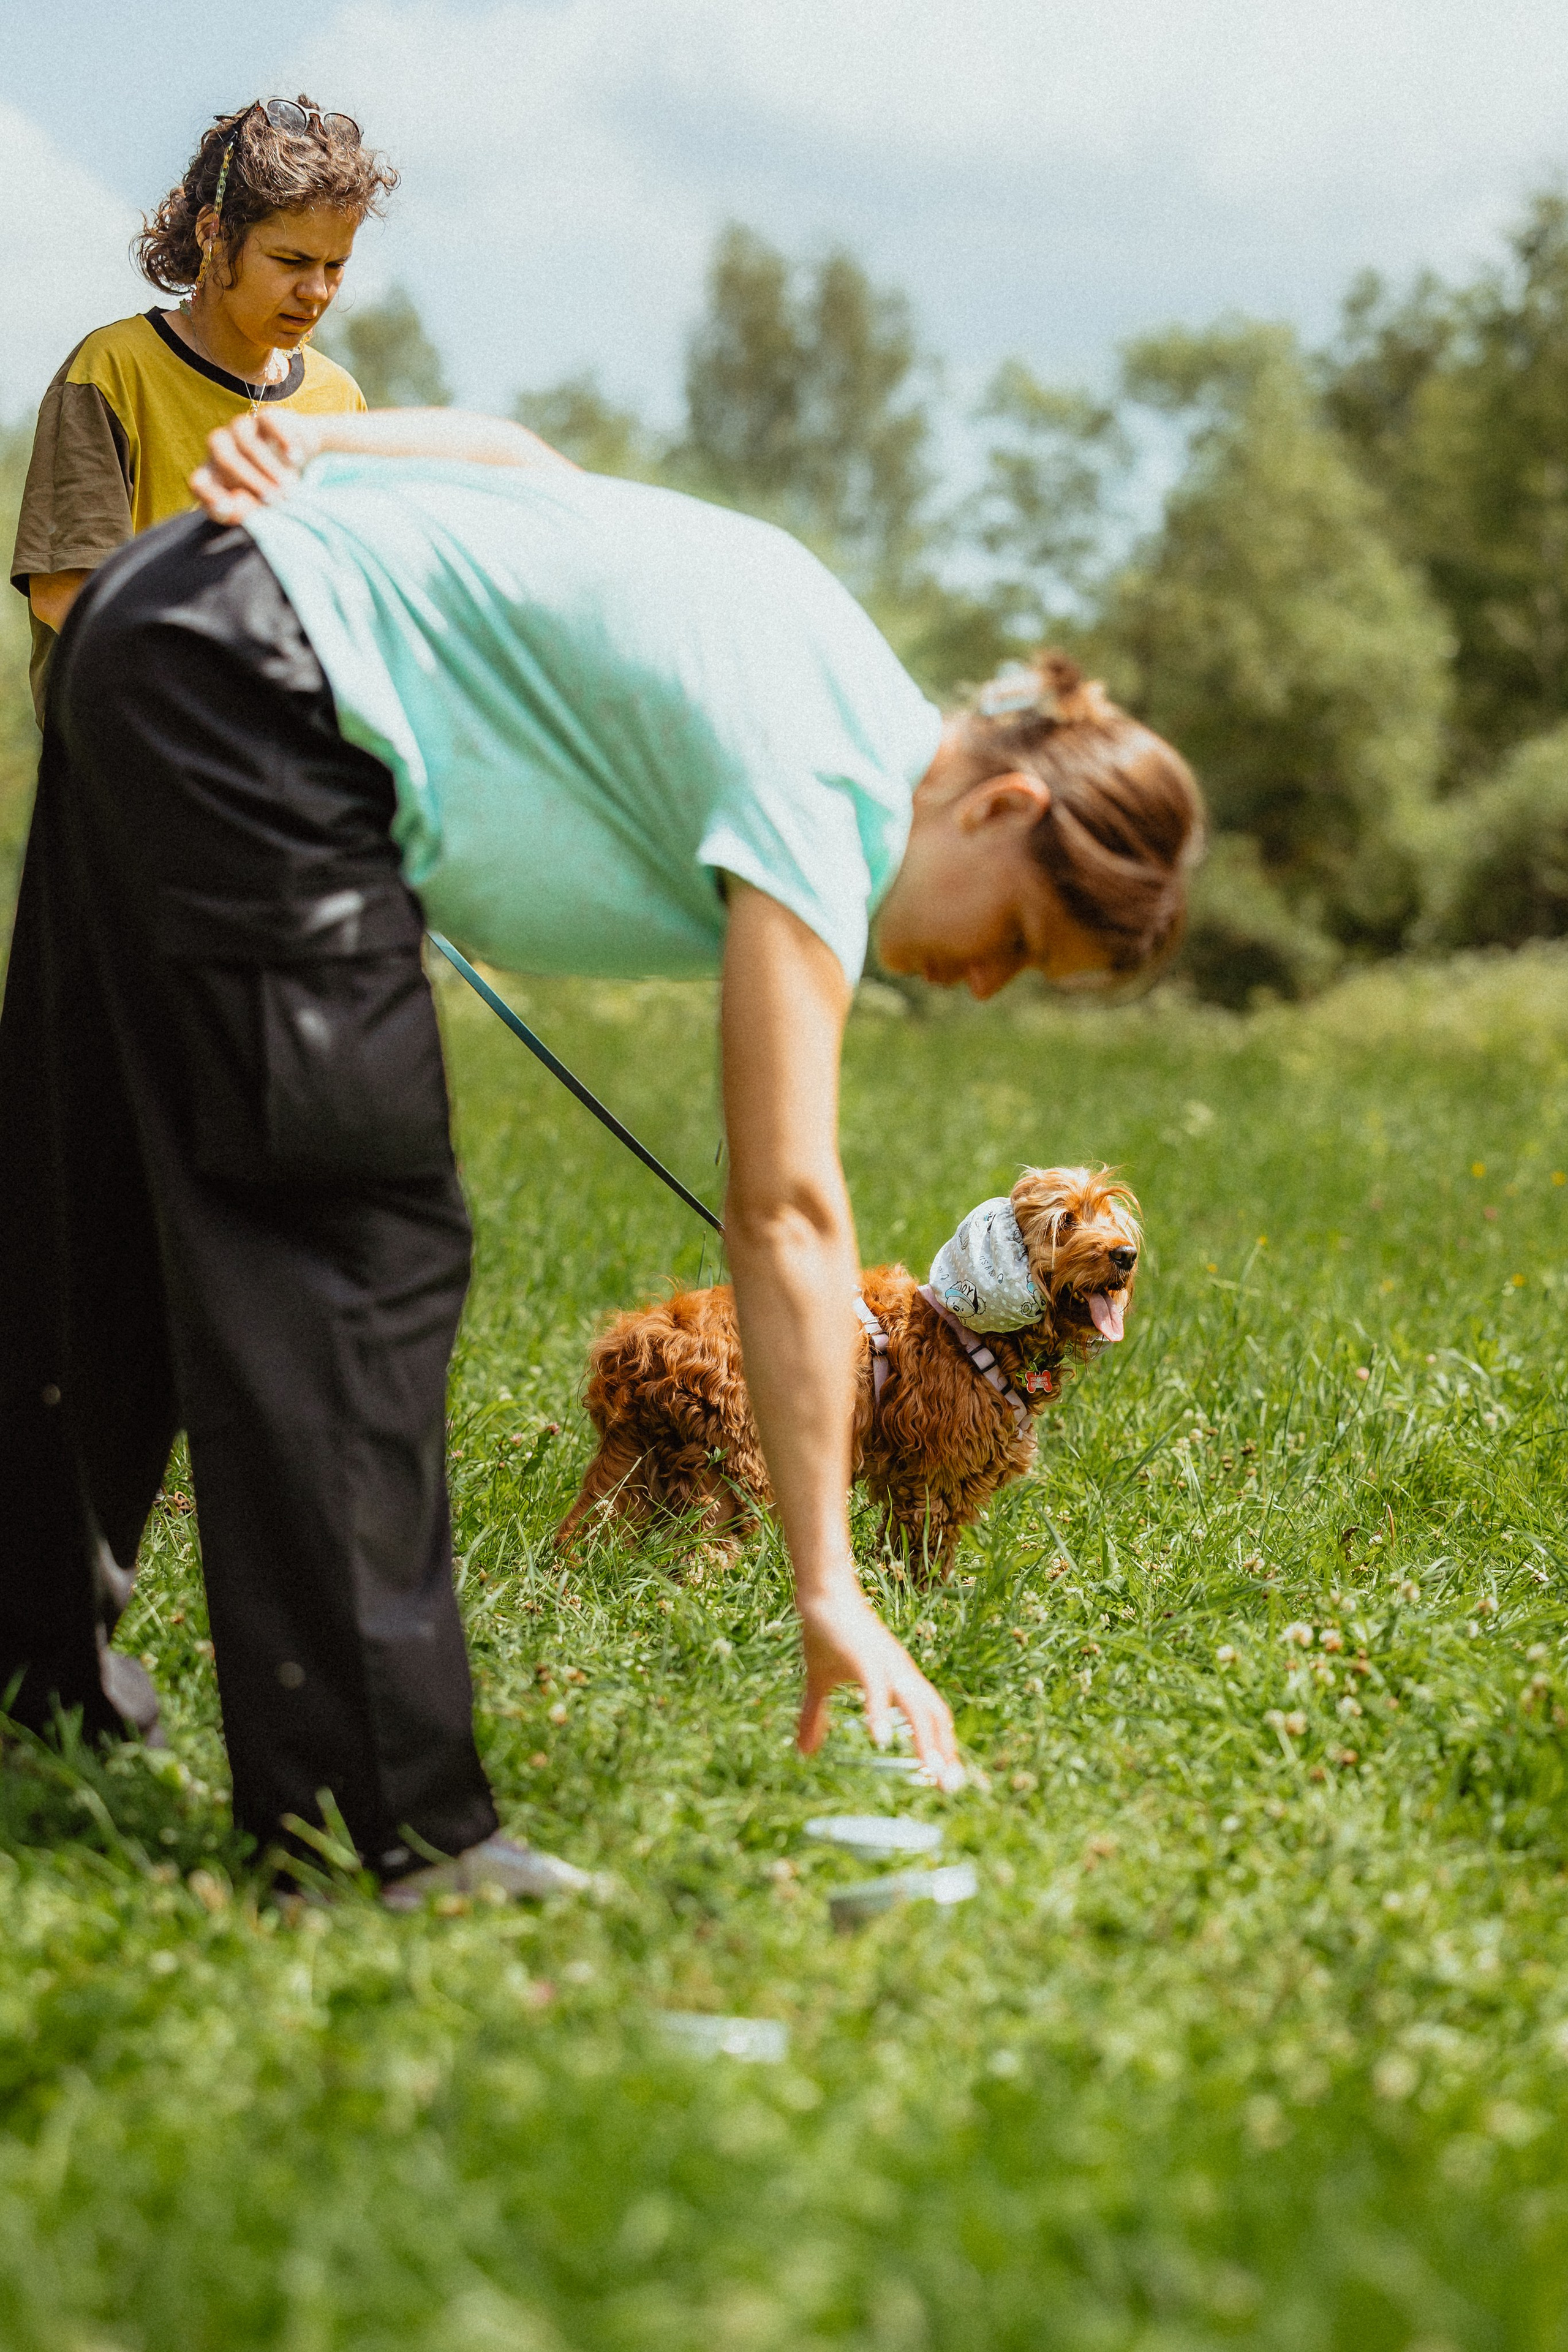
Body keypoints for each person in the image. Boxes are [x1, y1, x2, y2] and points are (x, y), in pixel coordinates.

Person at [0, 403, 1204, 1902]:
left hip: (169, 620)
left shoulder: (825, 641)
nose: (977, 983)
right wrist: (825, 1584)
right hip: (246, 684)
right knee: (354, 1233)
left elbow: (529, 474)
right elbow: (783, 1209)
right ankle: (381, 1832)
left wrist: (320, 461)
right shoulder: (828, 786)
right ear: (1003, 802)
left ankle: (27, 1690)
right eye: (1012, 939)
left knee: (85, 1201)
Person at [9, 97, 391, 724]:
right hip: (135, 765)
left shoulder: (338, 398)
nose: (317, 291)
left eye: (335, 266)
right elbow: (65, 592)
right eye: (291, 262)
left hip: (283, 775)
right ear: (214, 233)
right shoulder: (113, 369)